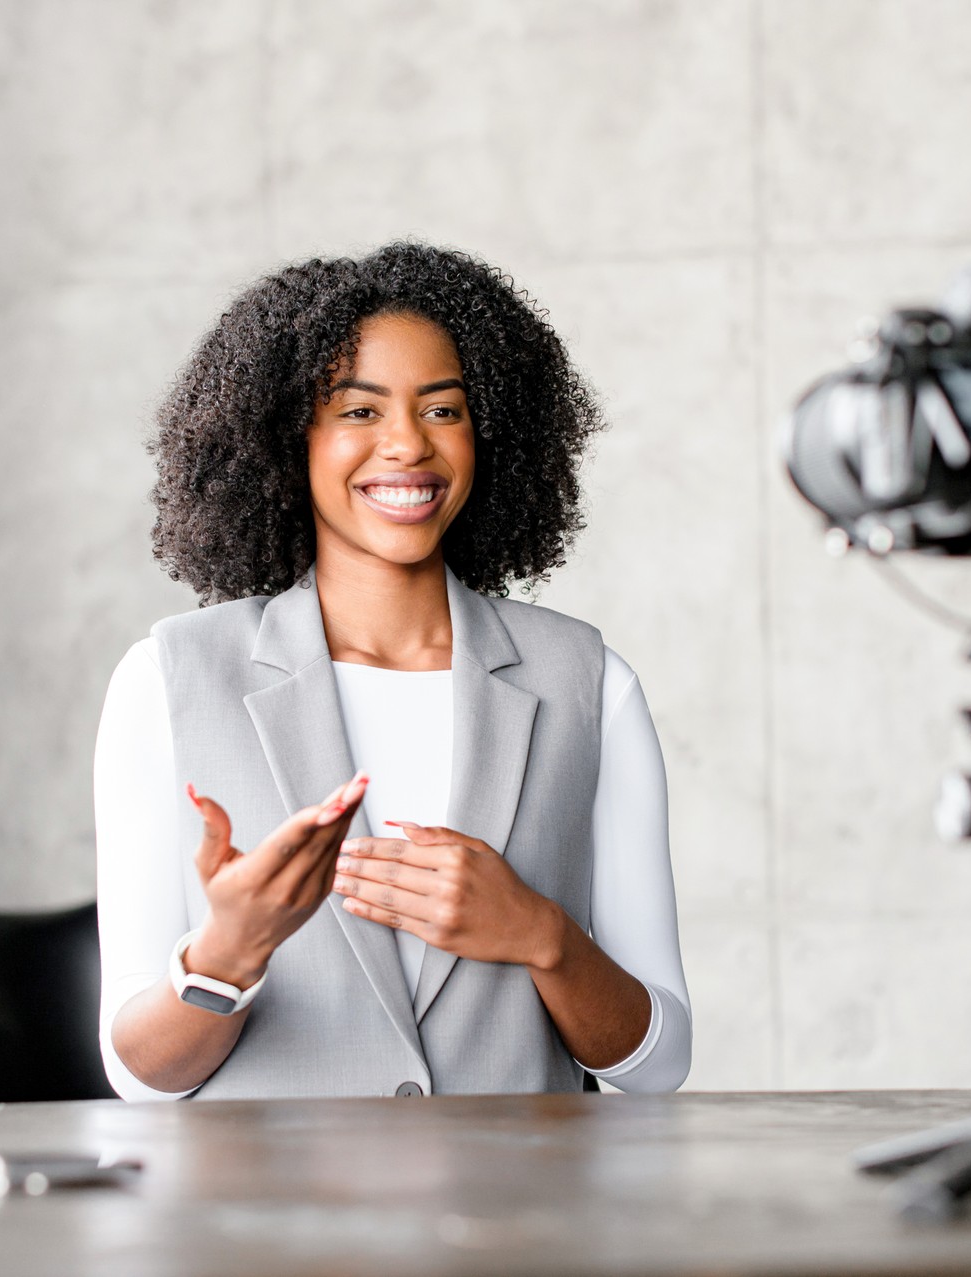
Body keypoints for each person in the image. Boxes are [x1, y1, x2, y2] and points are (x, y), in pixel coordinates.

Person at [94, 243, 690, 1099]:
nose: (409, 445)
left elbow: (659, 1065)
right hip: (265, 1229)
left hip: (525, 1226)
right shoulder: (167, 681)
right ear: (285, 436)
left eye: (443, 410)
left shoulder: (589, 683)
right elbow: (138, 1076)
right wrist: (230, 949)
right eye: (359, 412)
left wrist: (540, 934)